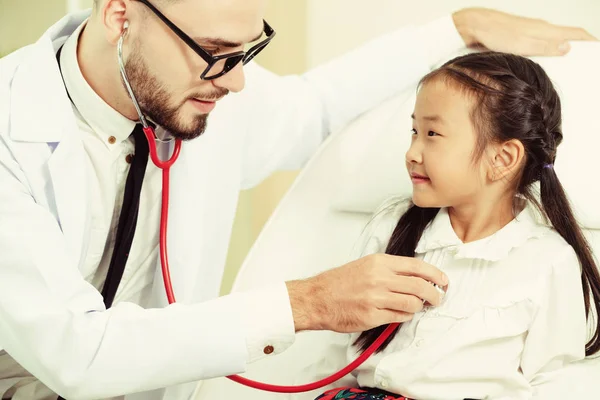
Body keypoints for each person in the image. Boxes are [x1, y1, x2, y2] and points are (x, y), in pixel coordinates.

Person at [0, 0, 596, 398]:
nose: (235, 82)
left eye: (248, 51)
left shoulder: (201, 89)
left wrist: (454, 30)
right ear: (119, 16)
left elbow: (315, 106)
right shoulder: (11, 133)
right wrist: (308, 302)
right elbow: (76, 353)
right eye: (215, 52)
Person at [303, 51, 600, 400]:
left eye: (432, 133)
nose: (412, 152)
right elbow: (339, 354)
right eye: (414, 131)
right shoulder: (391, 225)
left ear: (502, 158)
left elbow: (554, 384)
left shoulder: (548, 260)